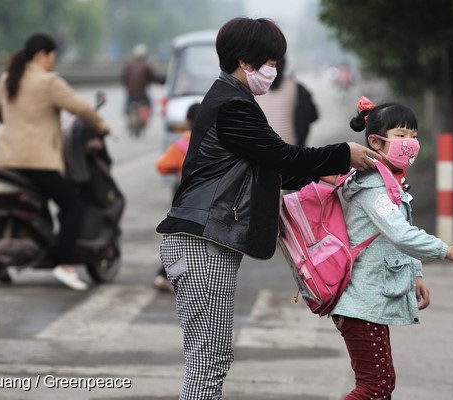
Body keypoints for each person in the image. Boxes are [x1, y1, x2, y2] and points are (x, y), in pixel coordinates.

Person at [156, 17, 380, 399]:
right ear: (245, 62)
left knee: (210, 358)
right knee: (208, 360)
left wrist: (324, 177)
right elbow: (281, 155)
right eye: (270, 62)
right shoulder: (231, 105)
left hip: (204, 242)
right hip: (202, 244)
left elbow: (268, 168)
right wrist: (344, 153)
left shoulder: (233, 98)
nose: (273, 71)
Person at [329, 96, 453, 399]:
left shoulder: (390, 183)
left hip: (368, 305)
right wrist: (446, 251)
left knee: (381, 386)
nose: (410, 142)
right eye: (401, 136)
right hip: (361, 306)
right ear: (376, 142)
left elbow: (399, 234)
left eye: (413, 135)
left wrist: (416, 276)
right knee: (375, 387)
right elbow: (400, 234)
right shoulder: (372, 186)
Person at [0, 33, 110, 291]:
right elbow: (82, 108)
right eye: (53, 55)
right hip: (37, 162)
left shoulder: (7, 77)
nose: (53, 61)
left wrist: (13, 126)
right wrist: (102, 127)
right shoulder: (48, 82)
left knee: (28, 206)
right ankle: (65, 265)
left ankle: (8, 258)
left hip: (4, 159)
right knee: (71, 206)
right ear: (43, 54)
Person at [153, 102, 201, 292]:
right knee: (191, 242)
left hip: (183, 198)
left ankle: (165, 275)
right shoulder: (214, 140)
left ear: (188, 122)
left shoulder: (183, 143)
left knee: (180, 239)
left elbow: (162, 165)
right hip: (206, 199)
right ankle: (166, 275)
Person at [255, 56, 318, 146]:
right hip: (291, 148)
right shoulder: (296, 87)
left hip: (261, 148)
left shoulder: (255, 87)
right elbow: (312, 114)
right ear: (285, 65)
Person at [121, 43, 158, 115]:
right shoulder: (146, 66)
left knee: (126, 106)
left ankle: (126, 112)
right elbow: (152, 78)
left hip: (130, 94)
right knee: (149, 104)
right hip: (142, 94)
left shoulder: (129, 65)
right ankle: (148, 114)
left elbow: (124, 79)